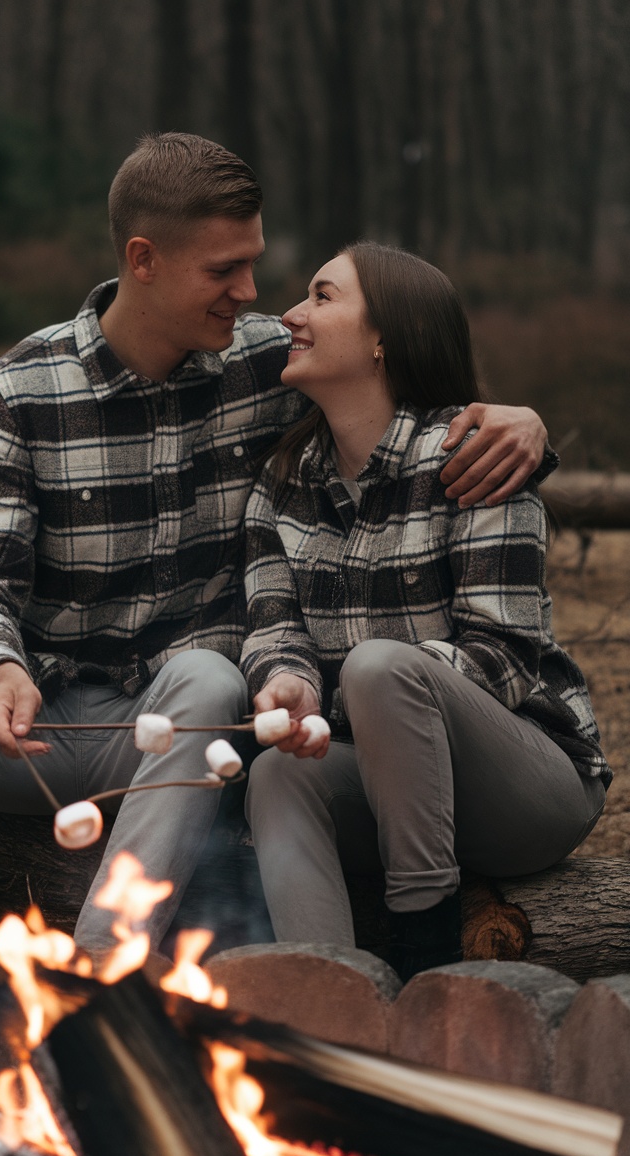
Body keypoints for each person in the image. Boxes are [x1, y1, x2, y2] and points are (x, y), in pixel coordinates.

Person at [0, 135, 551, 978]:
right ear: (145, 259)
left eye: (253, 264)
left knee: (210, 675)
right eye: (223, 272)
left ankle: (101, 969)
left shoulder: (263, 364)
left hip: (182, 730)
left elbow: (392, 384)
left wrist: (523, 424)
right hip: (35, 724)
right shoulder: (19, 390)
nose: (252, 295)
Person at [241, 241, 611, 982]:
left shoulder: (474, 457)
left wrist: (359, 699)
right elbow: (275, 628)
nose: (291, 314)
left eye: (321, 296)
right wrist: (289, 683)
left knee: (382, 669)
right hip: (390, 790)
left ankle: (428, 958)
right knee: (277, 777)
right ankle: (330, 989)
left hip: (526, 786)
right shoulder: (281, 484)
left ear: (384, 338)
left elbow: (502, 658)